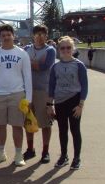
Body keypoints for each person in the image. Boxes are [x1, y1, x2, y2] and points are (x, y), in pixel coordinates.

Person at [0, 24, 32, 166]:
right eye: (3, 35)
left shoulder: (22, 53)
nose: (6, 37)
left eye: (8, 35)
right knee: (0, 125)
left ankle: (18, 154)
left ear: (13, 36)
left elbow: (27, 76)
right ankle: (1, 153)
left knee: (17, 125)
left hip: (17, 94)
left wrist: (28, 98)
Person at [48, 36, 88, 170]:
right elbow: (51, 86)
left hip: (74, 101)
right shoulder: (55, 67)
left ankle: (77, 158)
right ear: (58, 50)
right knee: (62, 130)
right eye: (62, 48)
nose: (65, 50)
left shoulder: (79, 65)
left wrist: (80, 105)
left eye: (68, 47)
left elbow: (84, 86)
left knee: (75, 130)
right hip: (59, 102)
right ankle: (64, 156)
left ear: (73, 48)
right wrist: (50, 105)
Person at [23, 25, 56, 164]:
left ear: (46, 36)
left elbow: (44, 66)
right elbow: (23, 66)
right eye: (37, 34)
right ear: (33, 36)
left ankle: (45, 151)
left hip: (44, 90)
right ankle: (30, 149)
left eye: (43, 34)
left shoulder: (50, 50)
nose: (40, 36)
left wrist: (29, 63)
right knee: (28, 121)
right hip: (27, 90)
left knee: (45, 123)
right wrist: (35, 63)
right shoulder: (26, 49)